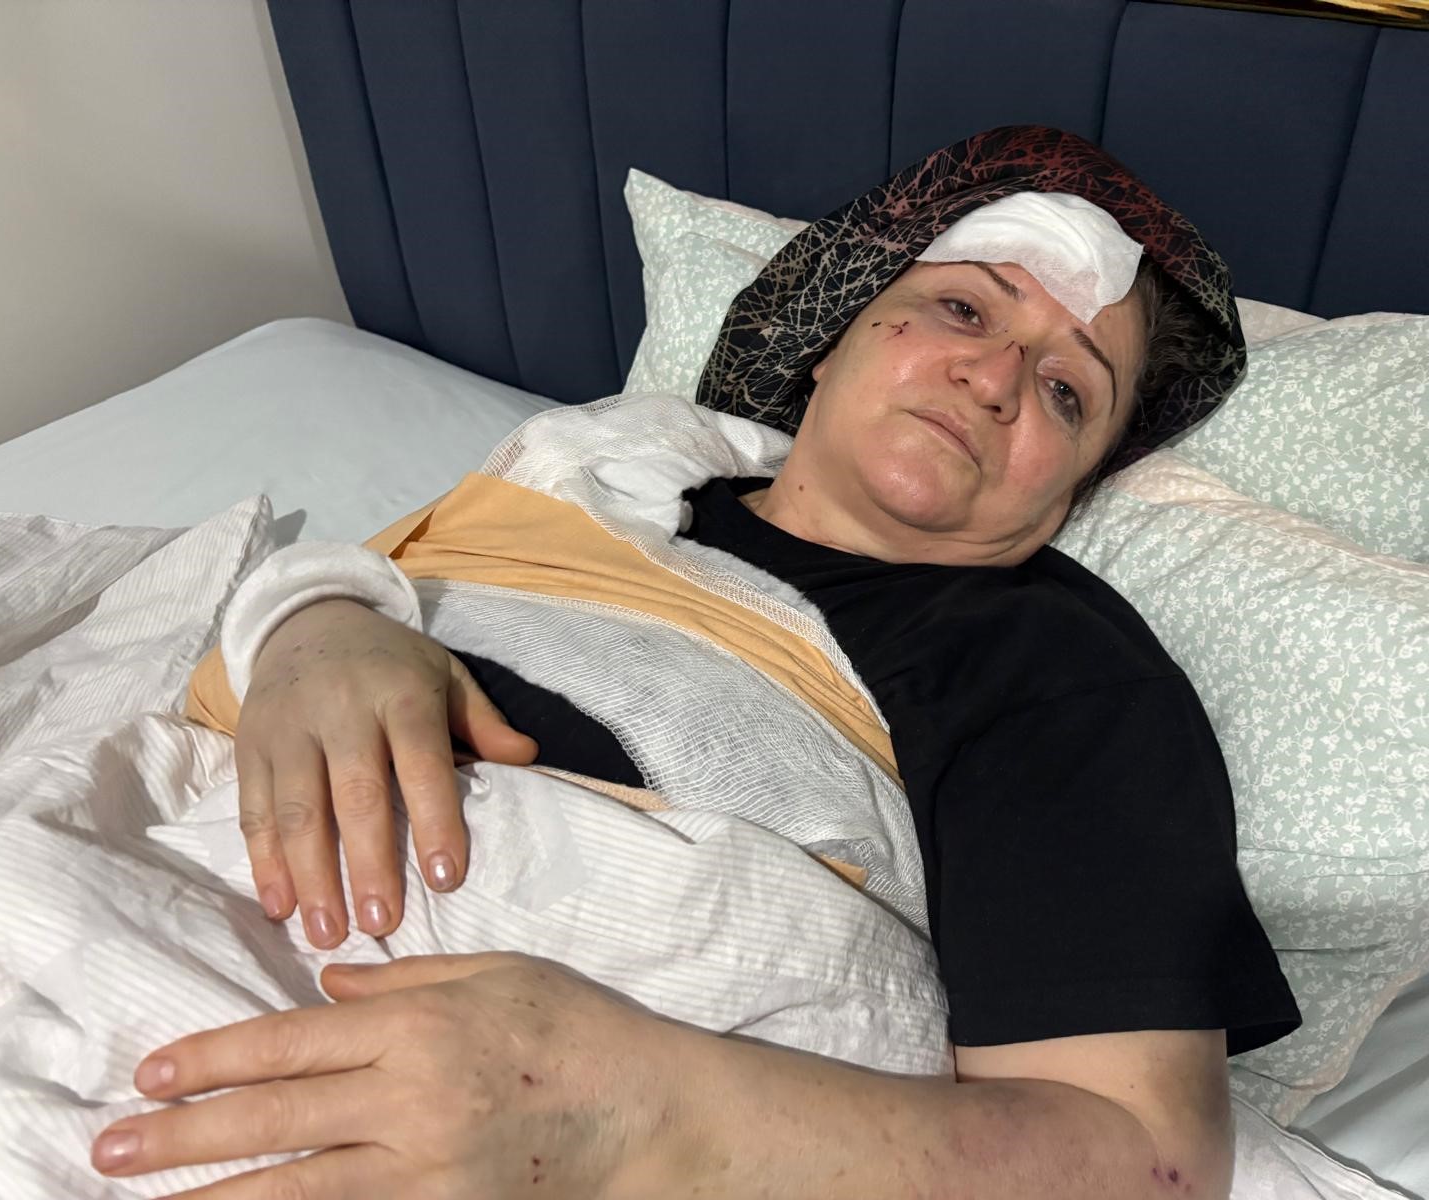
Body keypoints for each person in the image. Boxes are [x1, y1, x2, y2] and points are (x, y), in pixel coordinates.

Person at [90, 126, 1298, 1198]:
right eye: (965, 311)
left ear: (1066, 493)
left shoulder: (1058, 666)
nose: (992, 381)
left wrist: (642, 1119)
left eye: (1067, 393)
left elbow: (1139, 1160)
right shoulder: (592, 475)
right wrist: (318, 628)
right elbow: (354, 591)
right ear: (829, 340)